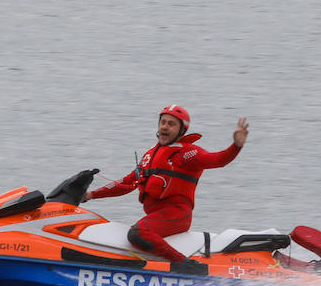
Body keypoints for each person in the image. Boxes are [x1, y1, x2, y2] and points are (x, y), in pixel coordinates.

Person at [83, 105, 248, 276]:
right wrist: (90, 195)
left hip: (176, 214)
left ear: (181, 130)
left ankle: (186, 265)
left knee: (138, 233)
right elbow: (126, 182)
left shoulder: (187, 153)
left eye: (171, 124)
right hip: (157, 215)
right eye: (162, 122)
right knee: (127, 238)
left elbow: (217, 160)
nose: (165, 127)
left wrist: (236, 146)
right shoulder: (150, 156)